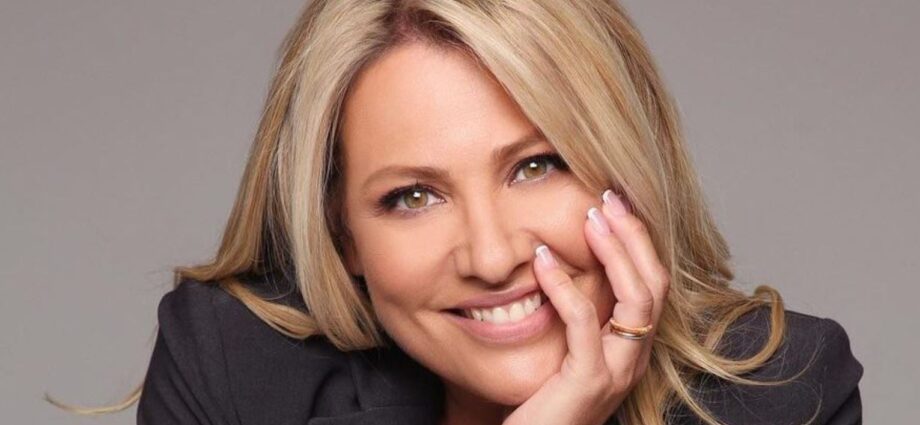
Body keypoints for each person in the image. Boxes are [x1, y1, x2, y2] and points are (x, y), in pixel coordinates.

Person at [47, 1, 863, 424]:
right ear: (342, 233)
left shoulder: (785, 394)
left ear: (625, 167)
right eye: (412, 196)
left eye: (538, 165)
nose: (491, 254)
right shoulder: (235, 372)